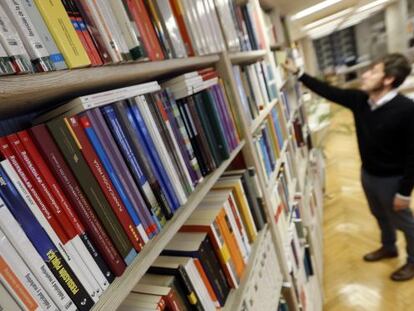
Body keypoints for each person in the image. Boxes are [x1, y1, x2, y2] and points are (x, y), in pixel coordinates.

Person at [283, 53, 414, 281]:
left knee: (406, 224)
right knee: (379, 215)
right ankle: (389, 247)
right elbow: (329, 91)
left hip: (392, 180)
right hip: (368, 175)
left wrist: (404, 192)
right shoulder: (360, 100)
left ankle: (412, 262)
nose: (364, 75)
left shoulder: (407, 109)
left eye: (373, 71)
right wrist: (299, 73)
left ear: (388, 79)